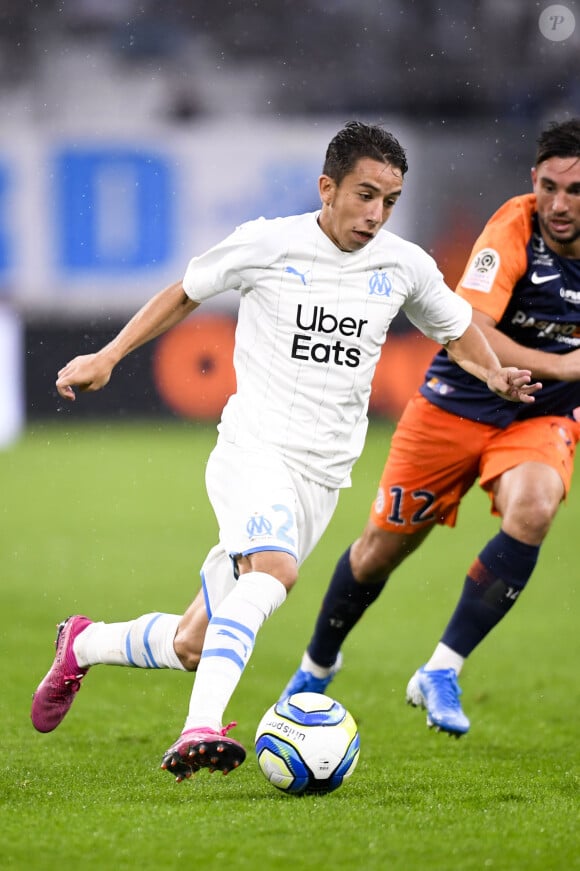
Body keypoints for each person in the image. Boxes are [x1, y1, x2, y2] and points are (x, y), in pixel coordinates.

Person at [31, 121, 538, 782]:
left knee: (193, 642)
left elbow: (456, 327)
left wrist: (495, 373)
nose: (376, 214)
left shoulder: (403, 264)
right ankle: (198, 727)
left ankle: (85, 641)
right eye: (364, 195)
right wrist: (109, 354)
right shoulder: (269, 242)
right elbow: (184, 290)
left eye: (389, 199)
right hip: (254, 449)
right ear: (327, 187)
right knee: (272, 572)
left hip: (320, 480)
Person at [280, 117, 580, 738]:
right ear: (533, 181)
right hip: (458, 402)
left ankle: (441, 670)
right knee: (379, 551)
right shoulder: (514, 226)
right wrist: (562, 364)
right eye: (548, 186)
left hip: (540, 413)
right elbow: (475, 326)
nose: (558, 204)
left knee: (535, 509)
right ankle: (316, 665)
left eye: (574, 191)